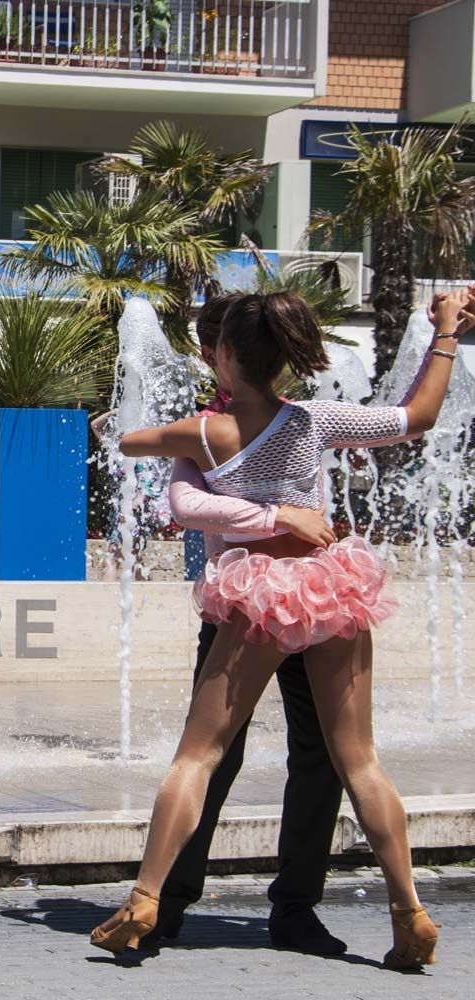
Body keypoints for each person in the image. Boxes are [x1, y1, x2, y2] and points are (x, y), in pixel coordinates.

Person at [89, 288, 473, 969]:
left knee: (199, 756)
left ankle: (147, 900)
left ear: (225, 355)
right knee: (359, 761)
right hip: (331, 589)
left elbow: (123, 438)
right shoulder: (317, 419)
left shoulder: (206, 431)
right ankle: (408, 911)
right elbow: (418, 415)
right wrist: (443, 331)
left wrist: (193, 447)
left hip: (257, 598)